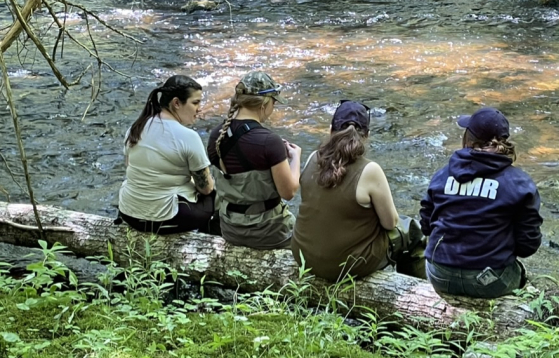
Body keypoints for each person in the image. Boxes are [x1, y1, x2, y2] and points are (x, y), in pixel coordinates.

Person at [292, 100, 427, 283]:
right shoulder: (370, 170)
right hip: (344, 266)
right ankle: (414, 290)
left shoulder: (312, 158)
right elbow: (390, 223)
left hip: (304, 257)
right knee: (410, 230)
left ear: (331, 130)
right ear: (367, 135)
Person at [420, 107, 543, 299]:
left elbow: (426, 226)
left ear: (468, 141)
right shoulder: (520, 184)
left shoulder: (442, 176)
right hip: (489, 280)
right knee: (518, 271)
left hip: (440, 274)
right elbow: (528, 245)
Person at [207, 71, 300, 249]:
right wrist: (295, 158)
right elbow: (289, 193)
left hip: (230, 228)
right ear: (264, 104)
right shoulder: (269, 141)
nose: (274, 108)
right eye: (274, 102)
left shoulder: (215, 136)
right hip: (268, 233)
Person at [118, 75, 215, 234]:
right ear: (176, 103)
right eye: (195, 102)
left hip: (129, 213)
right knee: (215, 194)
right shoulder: (188, 136)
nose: (200, 108)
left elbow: (130, 165)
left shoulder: (137, 127)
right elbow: (206, 189)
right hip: (163, 219)